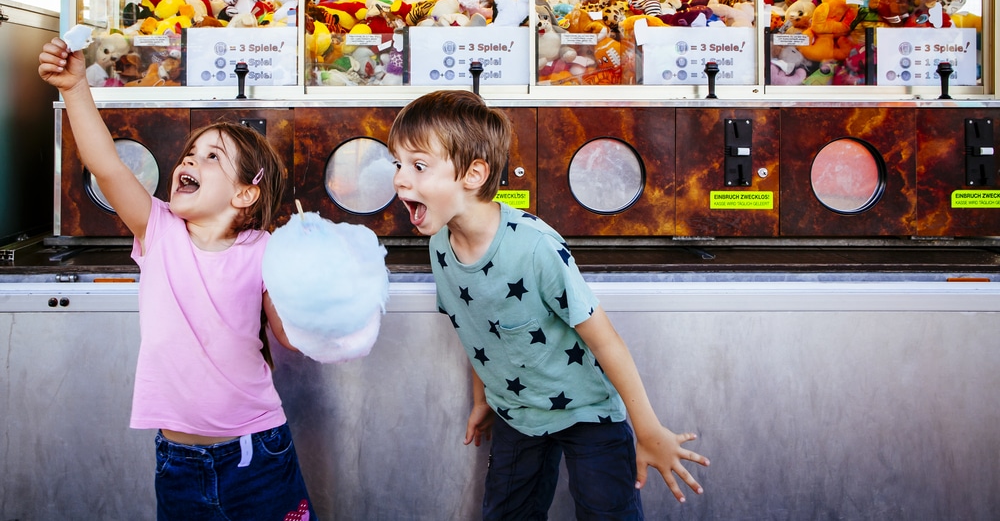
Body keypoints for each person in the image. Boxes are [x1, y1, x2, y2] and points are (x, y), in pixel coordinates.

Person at [388, 89, 709, 520]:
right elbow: (479, 328)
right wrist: (483, 399)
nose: (400, 179)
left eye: (418, 165)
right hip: (517, 413)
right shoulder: (441, 246)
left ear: (474, 174)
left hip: (587, 413)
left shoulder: (535, 247)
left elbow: (606, 341)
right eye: (398, 164)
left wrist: (648, 430)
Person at [38, 38, 315, 521]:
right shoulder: (159, 229)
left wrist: (318, 284)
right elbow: (106, 165)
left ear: (246, 194)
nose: (189, 161)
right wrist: (77, 87)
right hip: (178, 462)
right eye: (191, 154)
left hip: (259, 453)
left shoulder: (267, 252)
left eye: (212, 158)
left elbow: (291, 338)